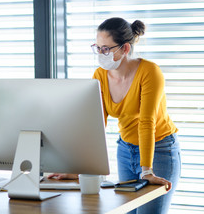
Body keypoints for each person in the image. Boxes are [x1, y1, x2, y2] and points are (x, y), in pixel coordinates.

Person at [48, 17, 181, 214]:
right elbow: (96, 124)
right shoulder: (100, 75)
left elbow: (146, 122)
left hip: (160, 149)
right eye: (98, 47)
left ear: (125, 48)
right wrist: (80, 168)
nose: (100, 54)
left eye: (106, 49)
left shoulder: (149, 72)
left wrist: (147, 170)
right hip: (125, 150)